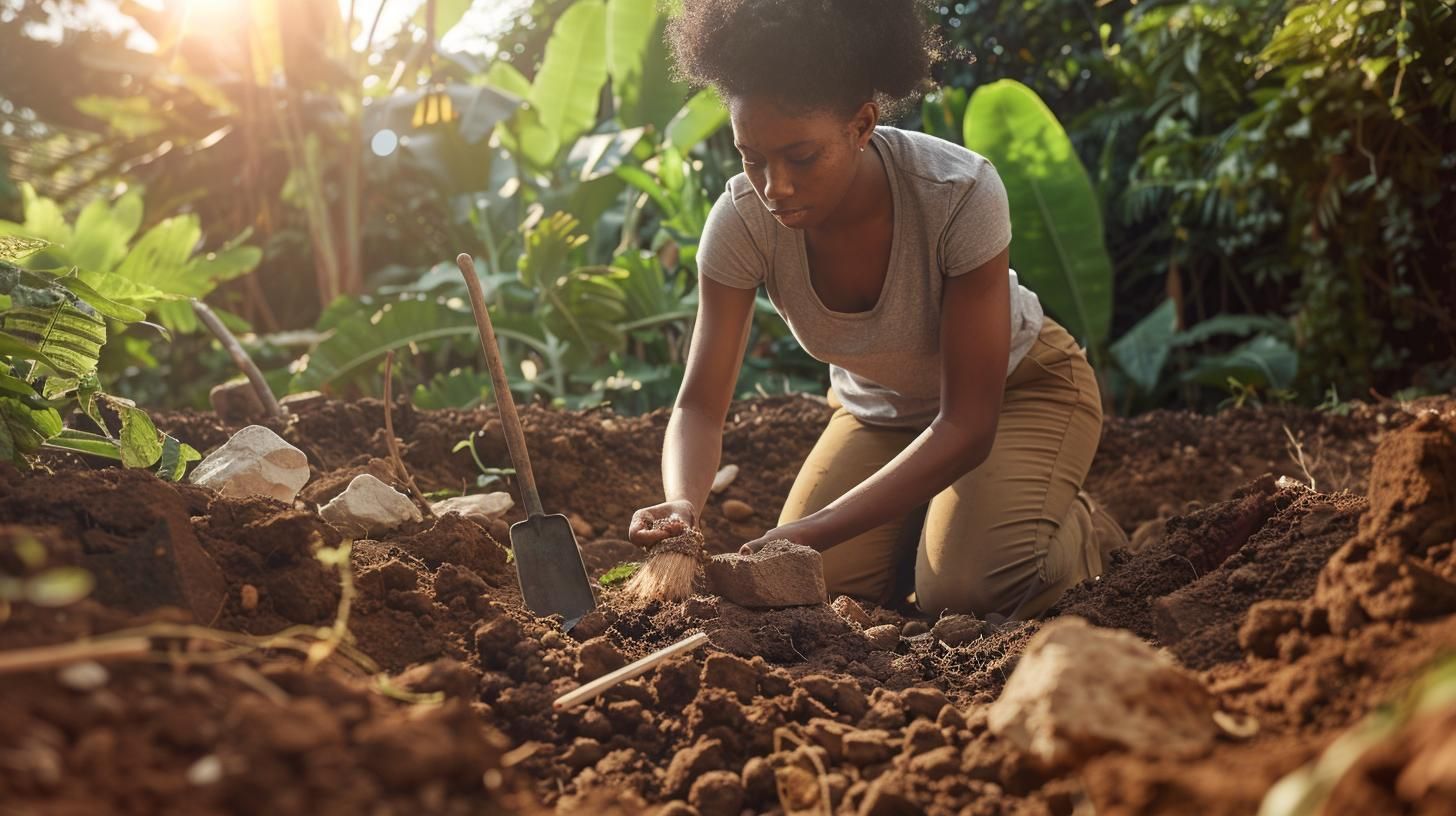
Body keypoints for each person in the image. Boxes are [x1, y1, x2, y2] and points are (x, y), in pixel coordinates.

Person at [627, 0, 1126, 619]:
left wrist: (807, 531)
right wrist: (681, 504)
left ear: (861, 125)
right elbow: (700, 405)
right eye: (751, 158)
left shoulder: (956, 193)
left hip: (1018, 388)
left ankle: (1073, 527)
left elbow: (967, 425)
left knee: (968, 591)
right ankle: (940, 525)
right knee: (815, 584)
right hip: (880, 410)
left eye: (801, 158)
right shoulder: (741, 223)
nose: (773, 186)